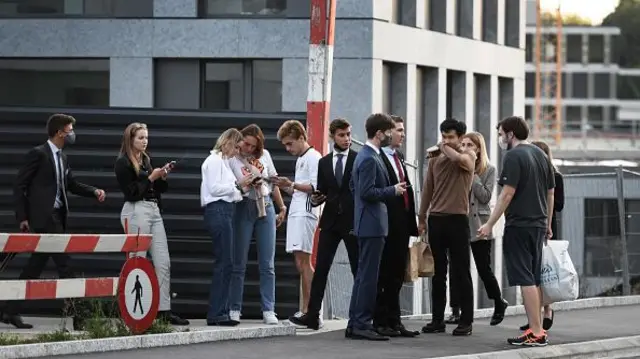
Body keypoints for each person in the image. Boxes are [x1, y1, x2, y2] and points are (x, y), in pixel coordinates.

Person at [9, 113, 106, 330]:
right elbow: (19, 186)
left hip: (57, 217)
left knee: (34, 267)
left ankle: (9, 310)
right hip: (44, 218)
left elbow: (70, 184)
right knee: (66, 266)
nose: (72, 134)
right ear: (59, 131)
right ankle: (78, 317)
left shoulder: (62, 157)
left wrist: (94, 191)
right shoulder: (38, 154)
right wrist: (23, 217)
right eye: (70, 129)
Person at [477, 116, 555, 347]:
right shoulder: (540, 154)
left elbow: (507, 194)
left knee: (525, 278)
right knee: (534, 277)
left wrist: (490, 223)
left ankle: (537, 332)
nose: (501, 138)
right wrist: (548, 223)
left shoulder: (513, 156)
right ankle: (536, 328)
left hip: (520, 224)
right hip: (539, 224)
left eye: (501, 133)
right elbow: (551, 193)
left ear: (511, 134)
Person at [288, 118, 359, 330]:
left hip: (352, 221)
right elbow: (323, 190)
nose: (346, 139)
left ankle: (361, 316)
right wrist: (319, 198)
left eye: (348, 134)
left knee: (358, 268)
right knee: (321, 269)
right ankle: (312, 315)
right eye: (342, 135)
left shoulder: (358, 159)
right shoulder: (324, 162)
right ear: (332, 136)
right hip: (329, 221)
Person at [115, 122, 189, 325]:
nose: (145, 141)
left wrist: (161, 176)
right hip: (136, 210)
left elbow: (158, 189)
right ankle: (133, 310)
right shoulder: (123, 163)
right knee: (137, 260)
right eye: (140, 138)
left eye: (146, 137)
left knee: (163, 262)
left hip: (154, 209)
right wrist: (151, 178)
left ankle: (163, 310)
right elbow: (131, 193)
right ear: (130, 139)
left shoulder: (146, 160)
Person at [347, 113, 405, 341]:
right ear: (379, 133)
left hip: (368, 222)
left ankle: (356, 322)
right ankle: (361, 323)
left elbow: (355, 187)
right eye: (389, 131)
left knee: (363, 275)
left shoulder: (368, 155)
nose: (392, 135)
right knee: (369, 277)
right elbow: (366, 191)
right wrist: (393, 190)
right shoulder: (370, 158)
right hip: (372, 225)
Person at [417, 118, 476, 336]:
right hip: (437, 219)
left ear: (461, 138)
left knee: (461, 271)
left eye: (451, 137)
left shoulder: (468, 155)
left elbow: (466, 163)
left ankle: (466, 321)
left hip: (458, 220)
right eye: (444, 136)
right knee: (438, 273)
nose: (446, 141)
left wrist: (444, 148)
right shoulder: (435, 159)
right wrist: (422, 218)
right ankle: (437, 320)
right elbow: (427, 189)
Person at [446, 132, 509, 327]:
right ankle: (455, 310)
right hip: (459, 223)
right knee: (456, 268)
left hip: (480, 225)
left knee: (483, 268)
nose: (464, 148)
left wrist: (473, 174)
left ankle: (499, 302)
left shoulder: (489, 169)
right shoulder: (457, 167)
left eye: (469, 145)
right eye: (462, 144)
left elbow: (485, 196)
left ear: (478, 149)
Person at [227, 124, 287, 325]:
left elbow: (274, 182)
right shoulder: (231, 158)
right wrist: (246, 182)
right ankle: (235, 307)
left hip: (266, 204)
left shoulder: (265, 155)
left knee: (267, 263)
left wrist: (282, 207)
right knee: (239, 262)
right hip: (244, 205)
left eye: (254, 146)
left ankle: (268, 309)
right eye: (246, 143)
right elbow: (231, 186)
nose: (249, 149)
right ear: (240, 139)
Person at [373, 115, 420, 338]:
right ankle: (380, 321)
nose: (403, 134)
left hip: (402, 222)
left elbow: (407, 190)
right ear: (387, 132)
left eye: (403, 130)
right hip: (386, 223)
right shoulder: (377, 157)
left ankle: (395, 321)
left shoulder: (398, 156)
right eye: (399, 130)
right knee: (385, 273)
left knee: (398, 274)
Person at [201, 128, 252, 326]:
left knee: (226, 262)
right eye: (236, 147)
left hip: (224, 210)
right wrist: (238, 187)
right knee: (225, 262)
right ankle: (217, 313)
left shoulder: (221, 162)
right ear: (228, 143)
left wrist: (240, 188)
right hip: (218, 210)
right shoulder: (214, 161)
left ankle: (219, 311)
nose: (236, 152)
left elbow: (233, 193)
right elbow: (214, 189)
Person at [272, 120, 322, 318]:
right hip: (298, 211)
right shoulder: (302, 158)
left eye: (290, 143)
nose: (287, 148)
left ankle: (311, 310)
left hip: (306, 213)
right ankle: (306, 309)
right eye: (285, 144)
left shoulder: (313, 157)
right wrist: (284, 185)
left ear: (302, 137)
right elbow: (300, 190)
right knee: (300, 264)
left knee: (305, 262)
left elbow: (316, 187)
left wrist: (291, 184)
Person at [517, 140, 565, 332]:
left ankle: (547, 310)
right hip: (530, 224)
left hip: (547, 225)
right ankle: (534, 317)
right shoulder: (527, 174)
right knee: (531, 273)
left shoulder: (556, 176)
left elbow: (559, 204)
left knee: (545, 270)